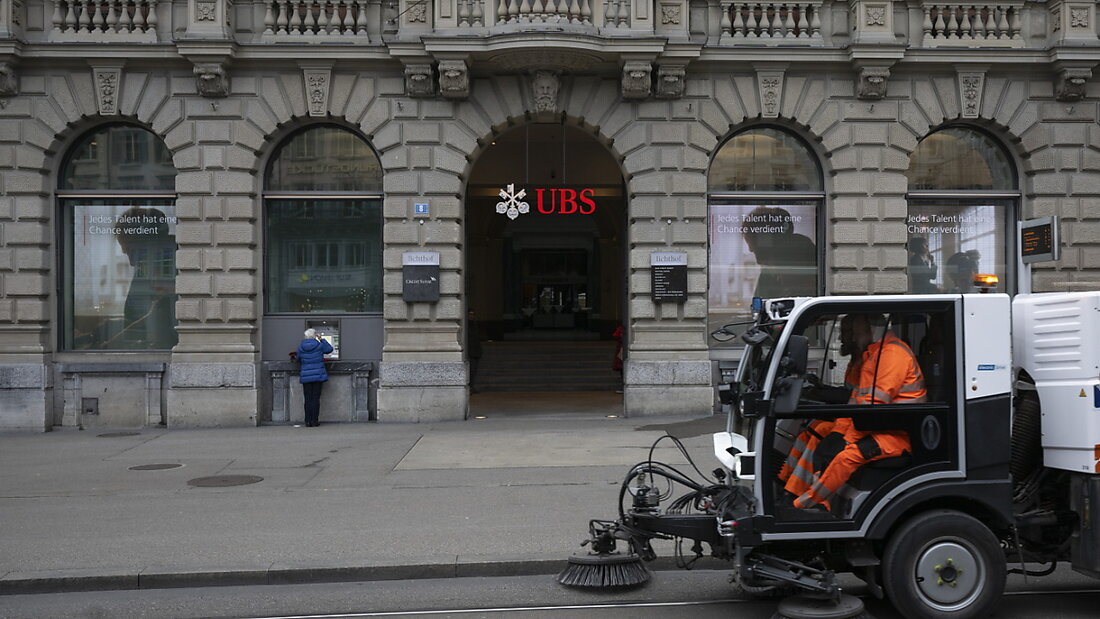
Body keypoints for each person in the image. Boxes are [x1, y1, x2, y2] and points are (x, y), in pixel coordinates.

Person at [793, 313, 927, 511]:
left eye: (856, 333)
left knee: (847, 457)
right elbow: (858, 404)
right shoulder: (875, 354)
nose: (853, 338)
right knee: (828, 446)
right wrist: (842, 435)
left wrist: (847, 441)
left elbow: (871, 410)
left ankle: (807, 503)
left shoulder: (891, 355)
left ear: (871, 331)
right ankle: (810, 499)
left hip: (898, 435)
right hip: (883, 429)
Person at [778, 314, 862, 500]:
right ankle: (784, 478)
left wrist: (818, 393)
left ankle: (794, 492)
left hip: (854, 424)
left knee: (819, 433)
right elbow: (848, 393)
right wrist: (820, 389)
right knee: (808, 430)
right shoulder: (858, 359)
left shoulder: (867, 360)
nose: (841, 338)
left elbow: (851, 397)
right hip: (848, 420)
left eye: (845, 333)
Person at [742, 206, 817, 300]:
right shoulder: (768, 270)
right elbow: (759, 303)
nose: (750, 249)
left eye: (751, 242)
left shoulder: (801, 249)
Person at [297, 328, 333, 427]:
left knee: (308, 399)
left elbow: (298, 358)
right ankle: (314, 421)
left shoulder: (301, 347)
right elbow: (329, 349)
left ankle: (307, 421)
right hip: (318, 375)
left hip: (306, 376)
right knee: (315, 399)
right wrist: (321, 339)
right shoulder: (319, 345)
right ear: (314, 336)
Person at [467, 309, 483, 393]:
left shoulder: (475, 325)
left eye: (473, 314)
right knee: (471, 370)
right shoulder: (466, 325)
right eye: (470, 314)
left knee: (474, 370)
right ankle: (469, 387)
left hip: (476, 351)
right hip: (470, 351)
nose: (471, 316)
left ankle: (471, 386)